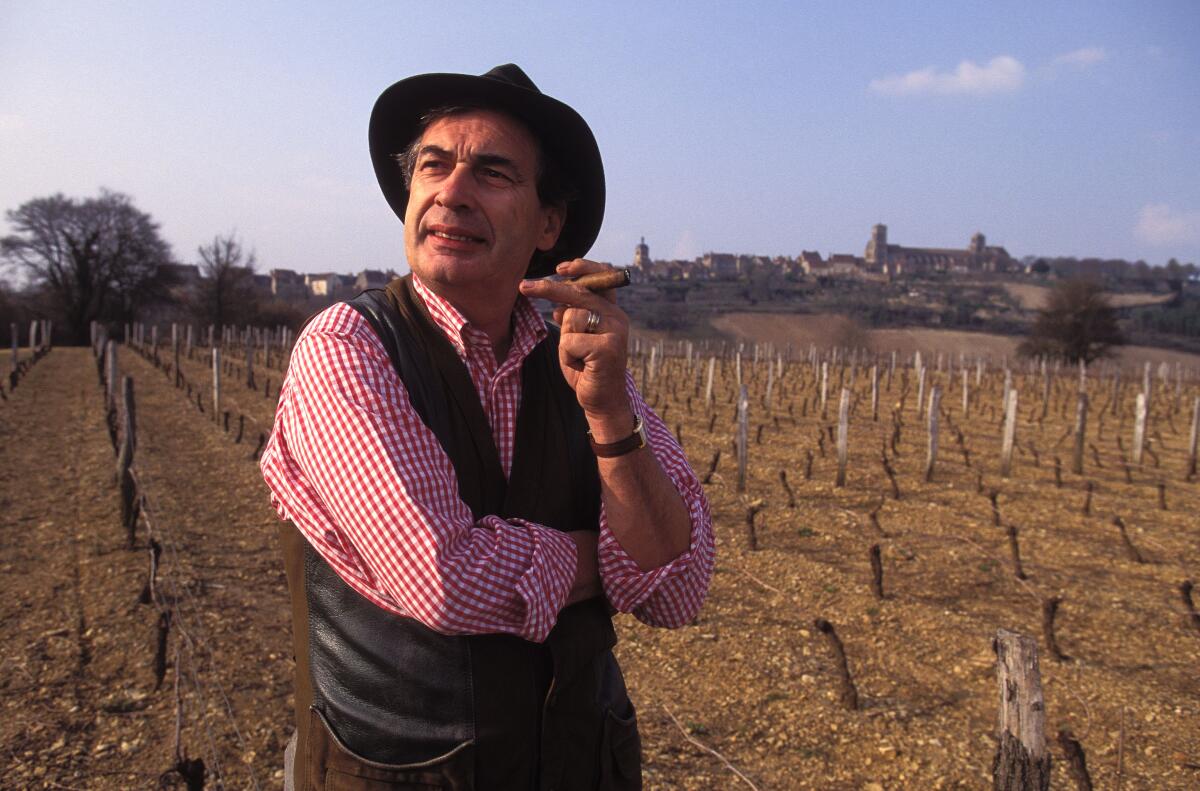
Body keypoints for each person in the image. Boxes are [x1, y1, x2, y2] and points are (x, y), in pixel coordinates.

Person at [261, 63, 714, 791]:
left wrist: (609, 417)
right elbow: (442, 578)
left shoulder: (584, 367)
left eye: (492, 172)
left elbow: (677, 590)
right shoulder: (346, 347)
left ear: (547, 225)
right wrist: (603, 562)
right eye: (433, 165)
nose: (452, 190)